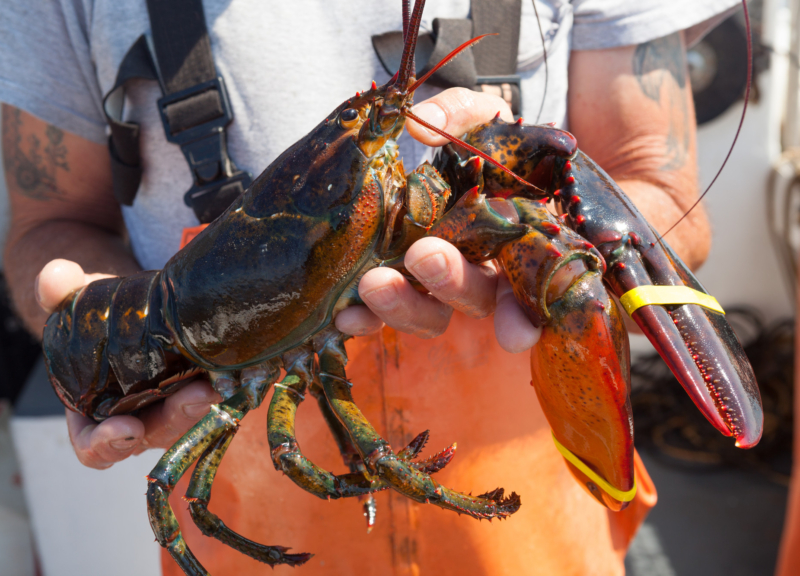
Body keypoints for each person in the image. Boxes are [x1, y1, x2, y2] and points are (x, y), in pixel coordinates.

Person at [1, 0, 740, 574]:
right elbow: (51, 221)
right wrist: (64, 308)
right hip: (250, 475)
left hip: (540, 465)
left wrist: (561, 280)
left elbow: (658, 182)